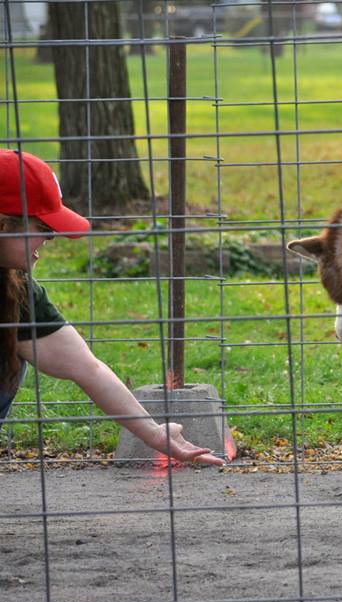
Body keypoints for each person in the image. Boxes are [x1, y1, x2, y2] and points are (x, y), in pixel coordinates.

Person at [0, 149, 224, 466]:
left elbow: (86, 367)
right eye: (44, 229)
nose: (50, 241)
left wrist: (156, 435)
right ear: (4, 224)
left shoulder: (16, 288)